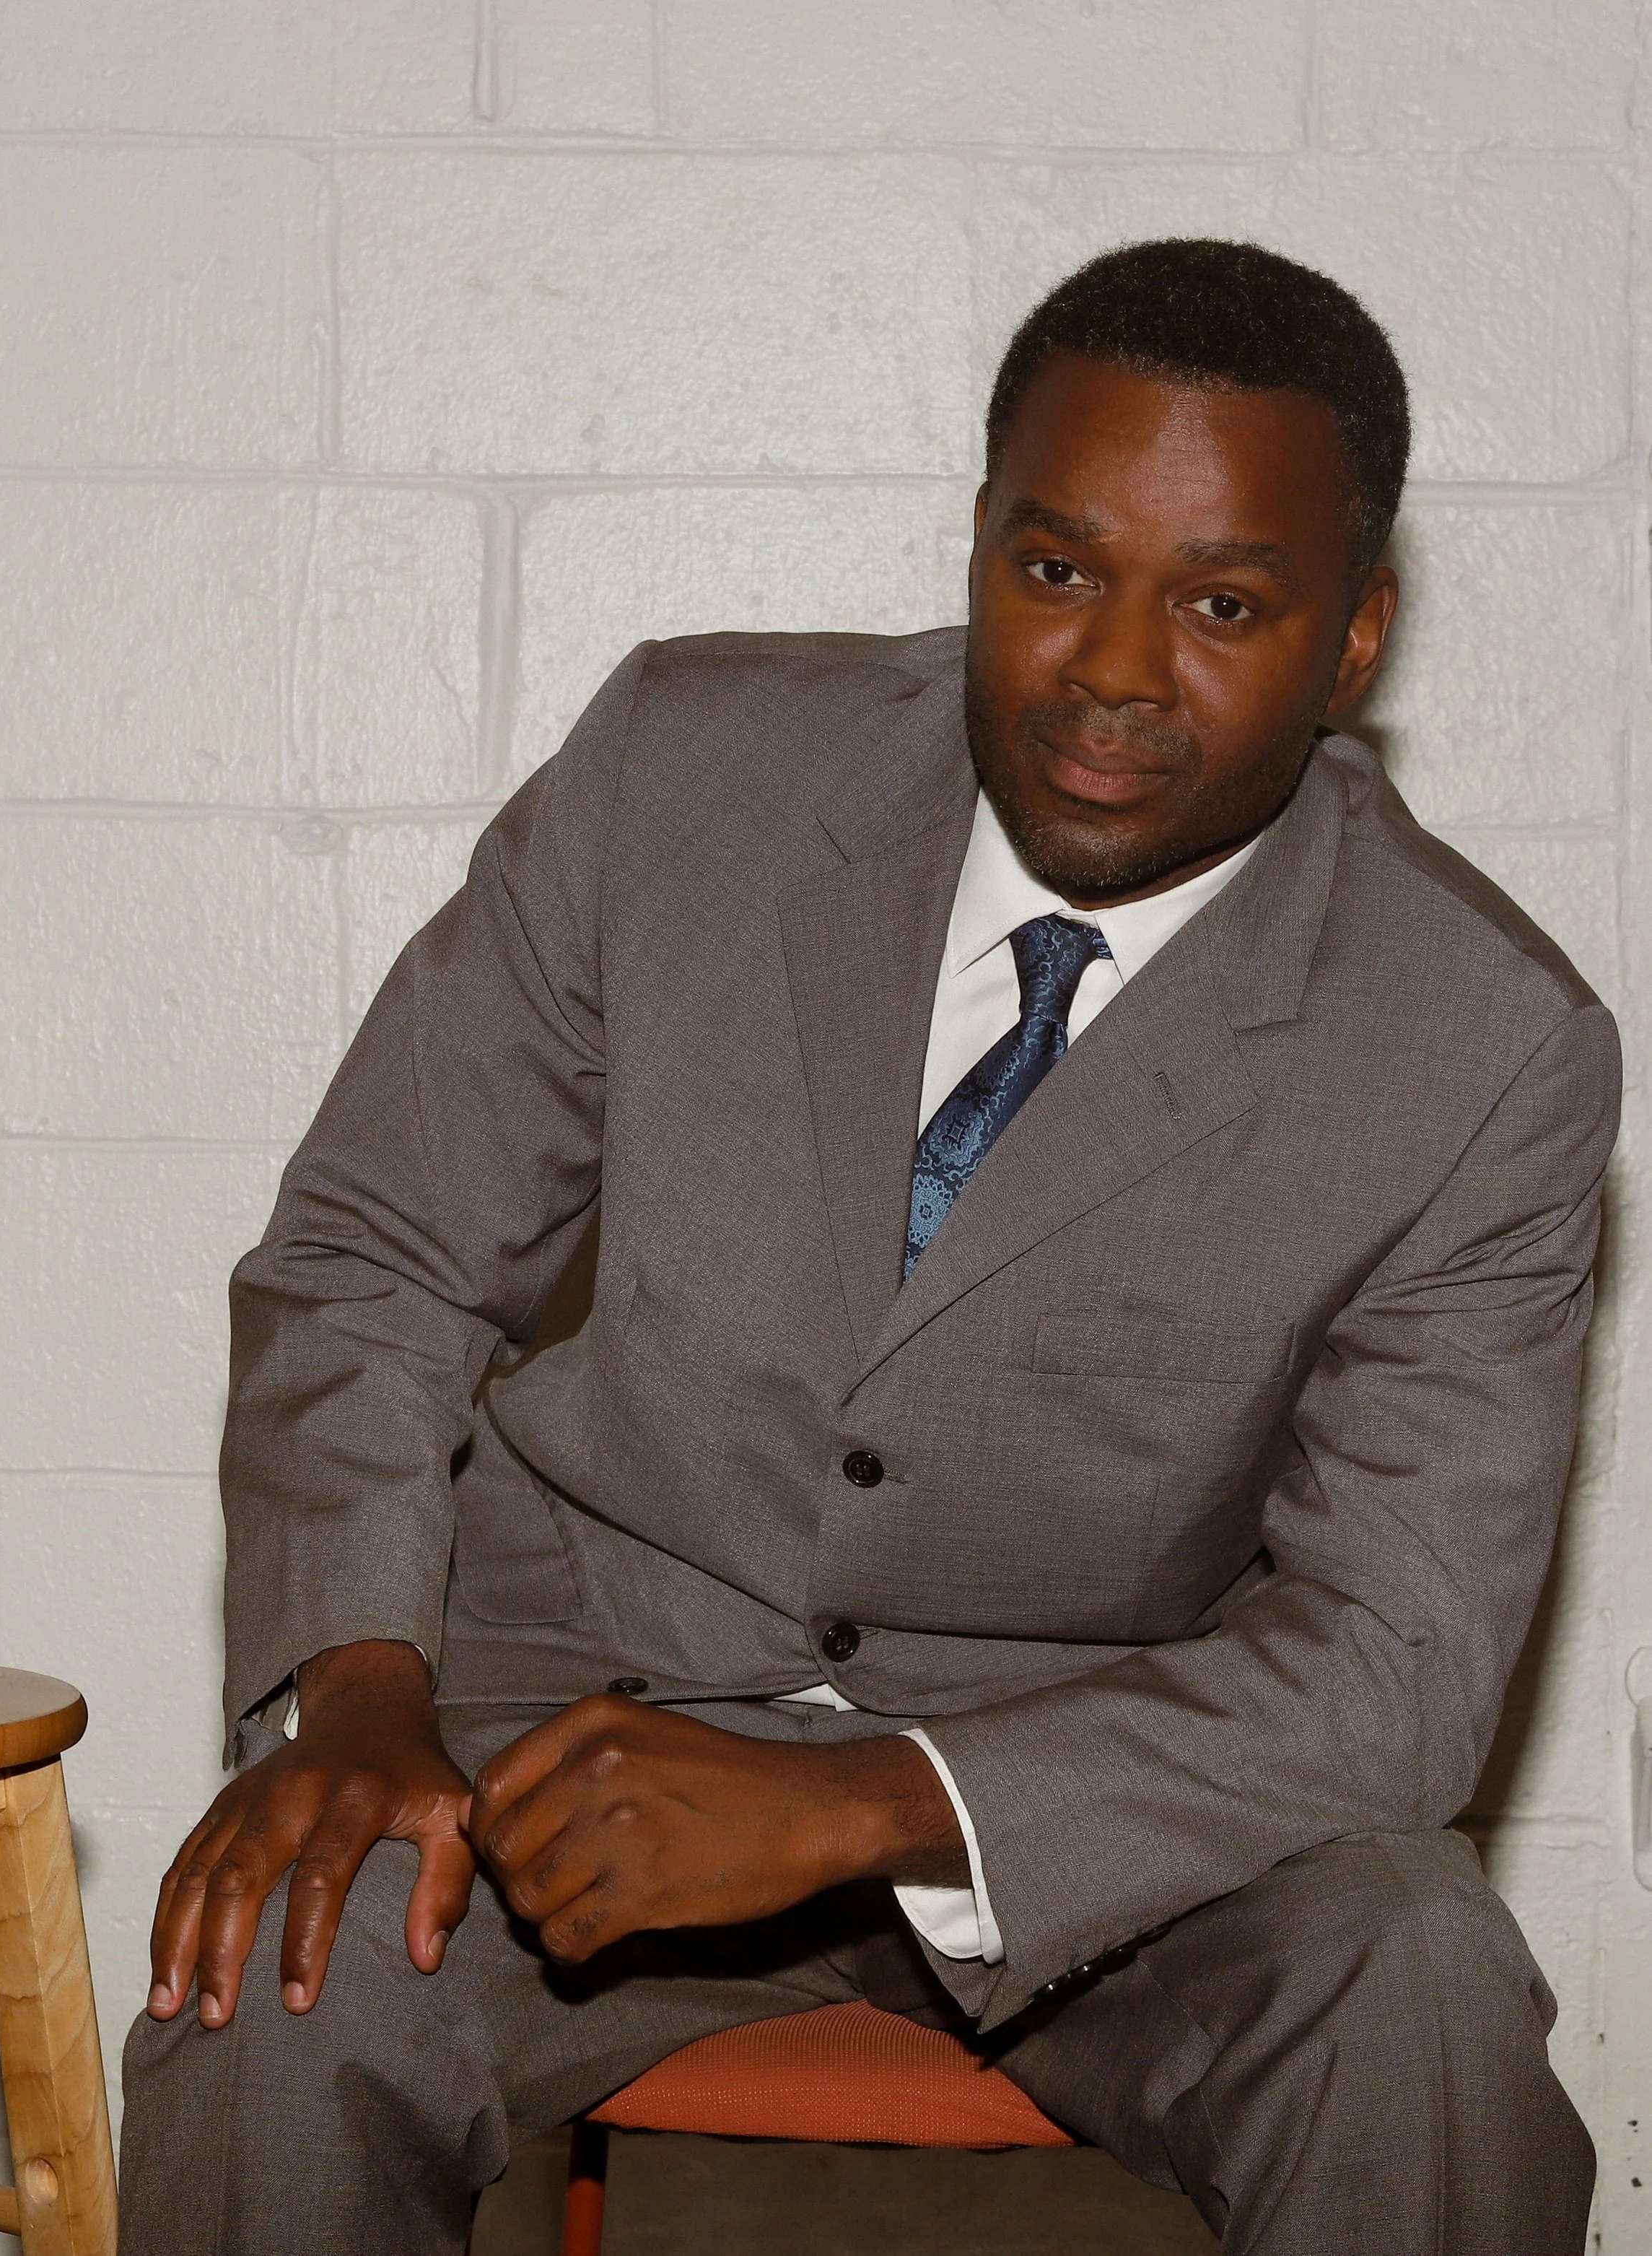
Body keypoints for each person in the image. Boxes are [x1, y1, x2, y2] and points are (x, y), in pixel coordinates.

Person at [119, 239, 1620, 2255]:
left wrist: (861, 1800)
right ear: (981, 538)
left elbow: (1391, 1665)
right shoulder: (686, 768)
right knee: (274, 1992)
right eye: (1055, 567)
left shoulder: (1478, 1044)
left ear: (1351, 642)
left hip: (1108, 1801)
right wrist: (363, 1690)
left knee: (1417, 1985)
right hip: (560, 1725)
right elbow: (380, 1243)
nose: (1107, 668)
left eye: (1225, 606)